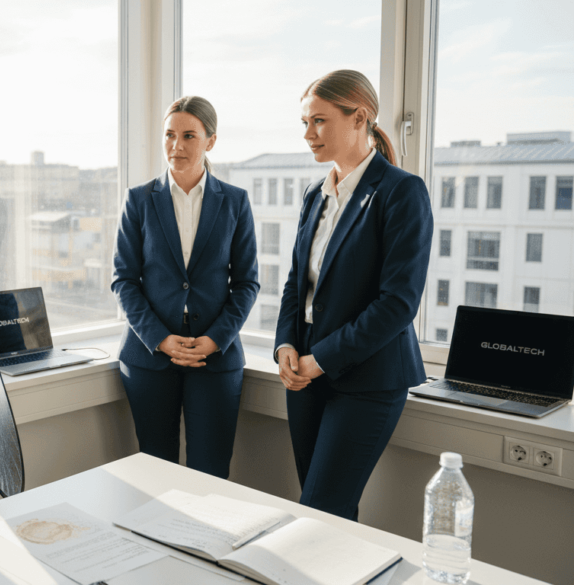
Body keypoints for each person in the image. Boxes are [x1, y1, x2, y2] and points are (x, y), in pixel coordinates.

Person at [275, 70, 432, 520]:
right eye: (305, 123)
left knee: (321, 509)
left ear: (359, 116)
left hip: (368, 379)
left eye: (319, 121)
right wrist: (286, 344)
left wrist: (319, 358)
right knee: (325, 514)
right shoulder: (314, 194)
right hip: (303, 375)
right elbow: (296, 282)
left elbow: (397, 304)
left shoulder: (402, 192)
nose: (308, 134)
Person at [112, 96, 259, 479]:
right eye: (169, 135)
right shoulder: (138, 200)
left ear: (210, 141)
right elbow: (123, 280)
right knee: (155, 470)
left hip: (215, 357)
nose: (177, 145)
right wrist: (160, 338)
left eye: (189, 136)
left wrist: (215, 339)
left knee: (210, 474)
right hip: (149, 358)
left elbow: (247, 283)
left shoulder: (236, 202)